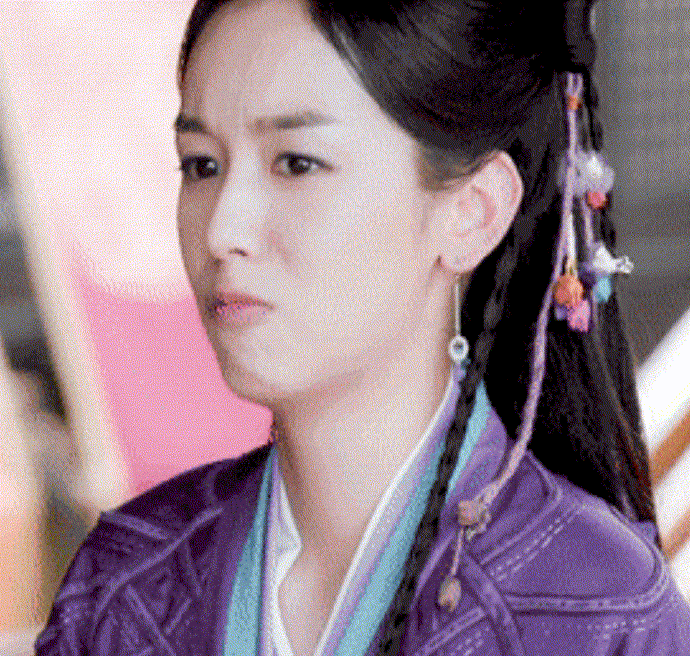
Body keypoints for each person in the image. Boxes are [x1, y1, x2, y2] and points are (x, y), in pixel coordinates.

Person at [35, 0, 690, 654]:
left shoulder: (598, 612)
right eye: (201, 164)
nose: (222, 229)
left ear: (472, 212)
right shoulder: (122, 582)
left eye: (296, 163)